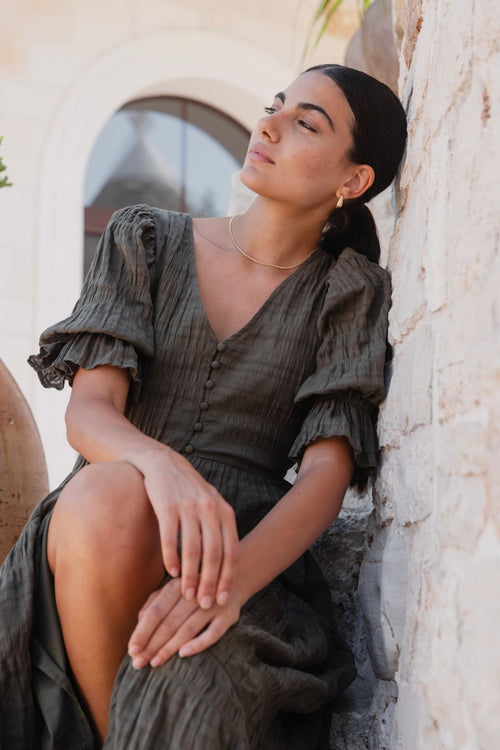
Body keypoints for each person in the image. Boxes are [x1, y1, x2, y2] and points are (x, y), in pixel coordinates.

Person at [0, 63, 407, 749]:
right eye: (277, 105)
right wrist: (163, 468)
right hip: (97, 538)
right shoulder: (146, 238)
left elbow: (325, 475)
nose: (269, 124)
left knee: (193, 681)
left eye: (306, 122)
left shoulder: (349, 289)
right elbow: (89, 412)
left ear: (352, 180)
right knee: (109, 493)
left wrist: (228, 585)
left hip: (236, 553)